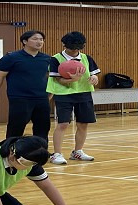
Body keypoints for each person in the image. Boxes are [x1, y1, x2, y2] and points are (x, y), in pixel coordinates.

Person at [46, 31, 101, 165]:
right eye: (72, 47)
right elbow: (58, 80)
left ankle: (78, 151)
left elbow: (95, 75)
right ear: (65, 45)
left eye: (78, 47)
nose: (74, 50)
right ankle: (57, 154)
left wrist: (94, 78)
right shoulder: (55, 59)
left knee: (83, 124)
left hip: (84, 93)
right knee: (63, 124)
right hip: (63, 94)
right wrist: (72, 80)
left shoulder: (87, 58)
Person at [0, 30, 51, 144]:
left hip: (41, 98)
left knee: (43, 127)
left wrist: (50, 94)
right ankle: (9, 151)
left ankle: (40, 151)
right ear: (25, 41)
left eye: (41, 39)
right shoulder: (11, 58)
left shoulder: (47, 59)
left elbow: (49, 78)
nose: (39, 42)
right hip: (20, 98)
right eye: (35, 39)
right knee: (16, 127)